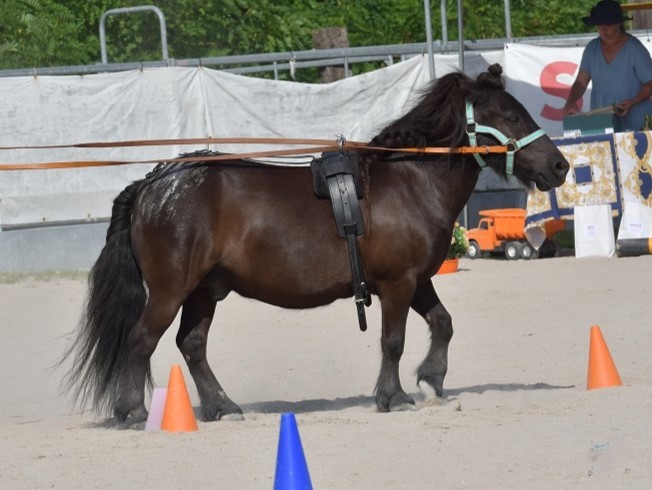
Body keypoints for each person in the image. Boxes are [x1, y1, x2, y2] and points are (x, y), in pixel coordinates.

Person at [563, 0, 652, 131]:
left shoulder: (635, 49)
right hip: (602, 121)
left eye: (608, 24)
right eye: (599, 24)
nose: (603, 29)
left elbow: (650, 83)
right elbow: (581, 83)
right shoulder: (591, 49)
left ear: (618, 23)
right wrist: (571, 101)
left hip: (636, 121)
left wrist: (633, 101)